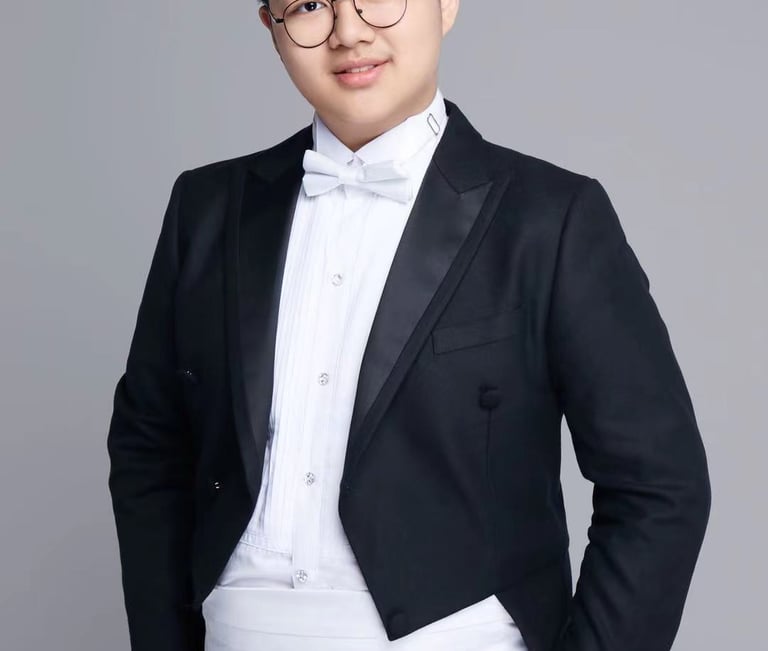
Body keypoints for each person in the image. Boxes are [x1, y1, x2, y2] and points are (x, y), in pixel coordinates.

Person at [106, 1, 711, 649]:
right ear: (271, 28)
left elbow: (659, 482)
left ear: (446, 5)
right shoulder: (206, 207)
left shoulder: (551, 217)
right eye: (309, 6)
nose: (349, 31)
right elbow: (150, 447)